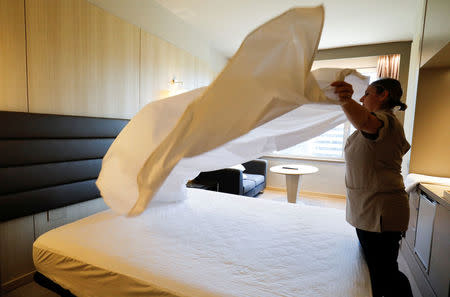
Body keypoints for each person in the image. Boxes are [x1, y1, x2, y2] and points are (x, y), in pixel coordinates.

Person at [331, 78, 413, 297]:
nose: (361, 98)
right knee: (379, 270)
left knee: (384, 274)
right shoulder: (382, 125)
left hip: (380, 212)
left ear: (383, 94)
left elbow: (367, 123)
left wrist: (345, 100)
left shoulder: (386, 122)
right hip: (370, 210)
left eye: (366, 93)